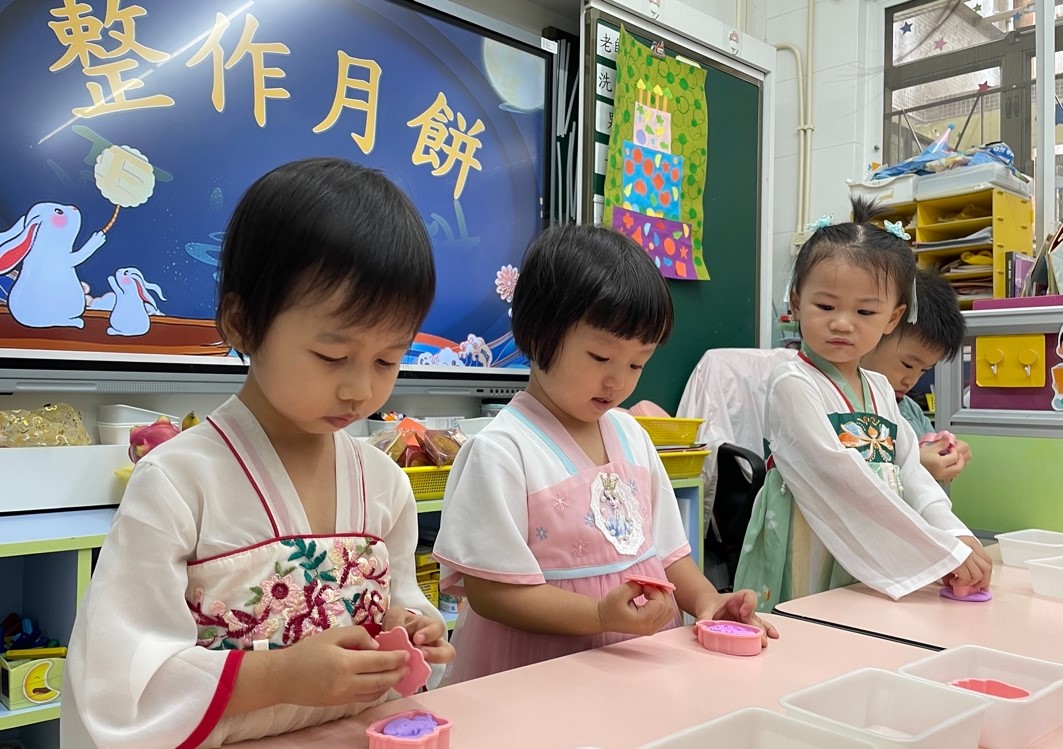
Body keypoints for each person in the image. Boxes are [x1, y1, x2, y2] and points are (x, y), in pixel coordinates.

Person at [62, 158, 455, 748]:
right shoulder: (178, 481)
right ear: (242, 322)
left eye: (387, 360)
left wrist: (414, 629)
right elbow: (122, 678)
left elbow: (398, 604)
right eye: (332, 356)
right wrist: (279, 676)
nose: (360, 389)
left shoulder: (384, 484)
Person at [432, 224, 777, 685]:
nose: (618, 382)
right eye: (600, 358)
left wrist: (707, 601)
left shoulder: (632, 435)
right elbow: (491, 592)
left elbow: (668, 553)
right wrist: (597, 614)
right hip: (539, 674)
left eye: (637, 363)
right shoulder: (502, 450)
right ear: (538, 334)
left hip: (633, 662)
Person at [734, 199, 993, 611]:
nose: (842, 322)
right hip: (809, 539)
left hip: (871, 540)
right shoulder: (792, 382)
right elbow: (838, 477)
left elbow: (910, 469)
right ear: (796, 303)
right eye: (825, 306)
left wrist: (952, 533)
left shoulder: (880, 389)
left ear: (892, 318)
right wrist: (934, 549)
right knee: (810, 626)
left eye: (865, 311)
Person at [861, 268, 972, 482]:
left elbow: (928, 459)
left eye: (924, 370)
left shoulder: (910, 411)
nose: (911, 381)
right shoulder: (838, 403)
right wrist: (914, 466)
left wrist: (945, 455)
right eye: (908, 365)